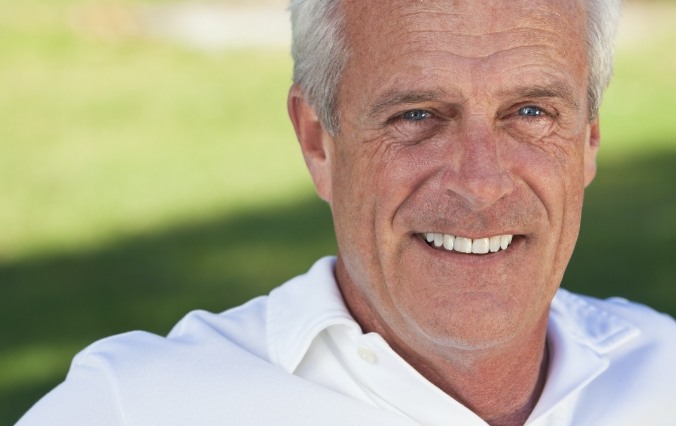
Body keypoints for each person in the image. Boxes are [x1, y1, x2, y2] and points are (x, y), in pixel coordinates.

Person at [17, 0, 676, 425]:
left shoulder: (664, 374)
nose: (481, 182)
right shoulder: (137, 408)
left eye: (530, 113)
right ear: (317, 142)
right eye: (416, 115)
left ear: (589, 139)